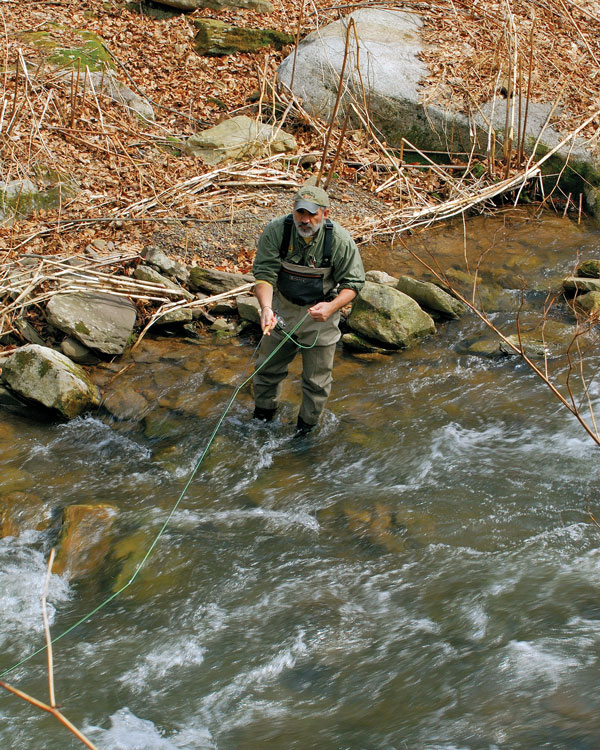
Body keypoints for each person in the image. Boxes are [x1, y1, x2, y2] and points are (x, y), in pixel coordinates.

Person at [252, 183, 365, 435]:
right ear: (293, 211)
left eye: (312, 214)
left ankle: (305, 433)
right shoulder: (276, 231)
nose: (305, 220)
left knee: (316, 383)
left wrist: (332, 307)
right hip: (281, 311)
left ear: (326, 214)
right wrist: (266, 308)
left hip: (321, 316)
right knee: (266, 371)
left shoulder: (339, 240)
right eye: (300, 213)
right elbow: (264, 275)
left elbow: (354, 284)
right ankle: (261, 421)